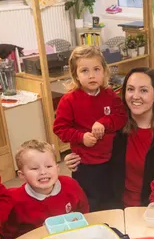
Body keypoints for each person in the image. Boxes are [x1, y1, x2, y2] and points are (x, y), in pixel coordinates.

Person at [52, 45, 127, 211]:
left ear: (104, 71)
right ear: (76, 75)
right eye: (84, 70)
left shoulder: (110, 95)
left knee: (112, 200)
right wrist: (81, 137)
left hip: (110, 159)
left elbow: (121, 116)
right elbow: (60, 128)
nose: (92, 75)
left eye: (96, 69)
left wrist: (104, 122)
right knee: (89, 203)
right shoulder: (69, 100)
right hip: (85, 164)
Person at [107, 68, 154, 207]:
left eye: (143, 90)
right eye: (130, 89)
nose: (135, 96)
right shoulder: (115, 127)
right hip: (117, 208)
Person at [3, 140, 90, 239]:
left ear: (57, 169)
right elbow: (9, 236)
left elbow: (84, 212)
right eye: (35, 168)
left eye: (48, 166)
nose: (43, 172)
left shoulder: (71, 185)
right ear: (22, 175)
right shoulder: (14, 199)